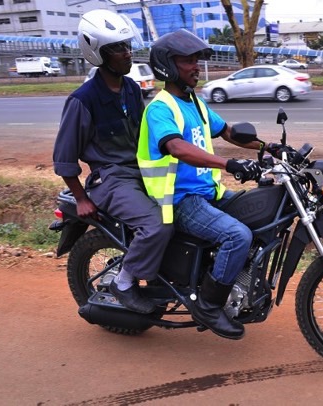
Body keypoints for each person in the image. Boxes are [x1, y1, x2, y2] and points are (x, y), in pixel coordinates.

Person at [138, 29, 262, 340]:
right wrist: (230, 164)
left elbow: (228, 131)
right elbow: (177, 148)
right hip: (181, 200)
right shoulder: (160, 108)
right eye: (188, 60)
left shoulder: (194, 101)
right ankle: (208, 304)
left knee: (260, 218)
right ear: (168, 65)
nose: (196, 66)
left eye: (197, 60)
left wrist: (269, 148)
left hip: (208, 194)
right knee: (237, 235)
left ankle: (229, 280)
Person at [52, 9, 173, 314]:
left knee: (185, 209)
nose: (127, 53)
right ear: (98, 53)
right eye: (118, 48)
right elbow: (64, 157)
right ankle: (124, 283)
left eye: (127, 46)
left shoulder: (132, 89)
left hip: (142, 172)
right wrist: (80, 198)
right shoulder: (83, 100)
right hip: (111, 179)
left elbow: (147, 132)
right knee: (155, 224)